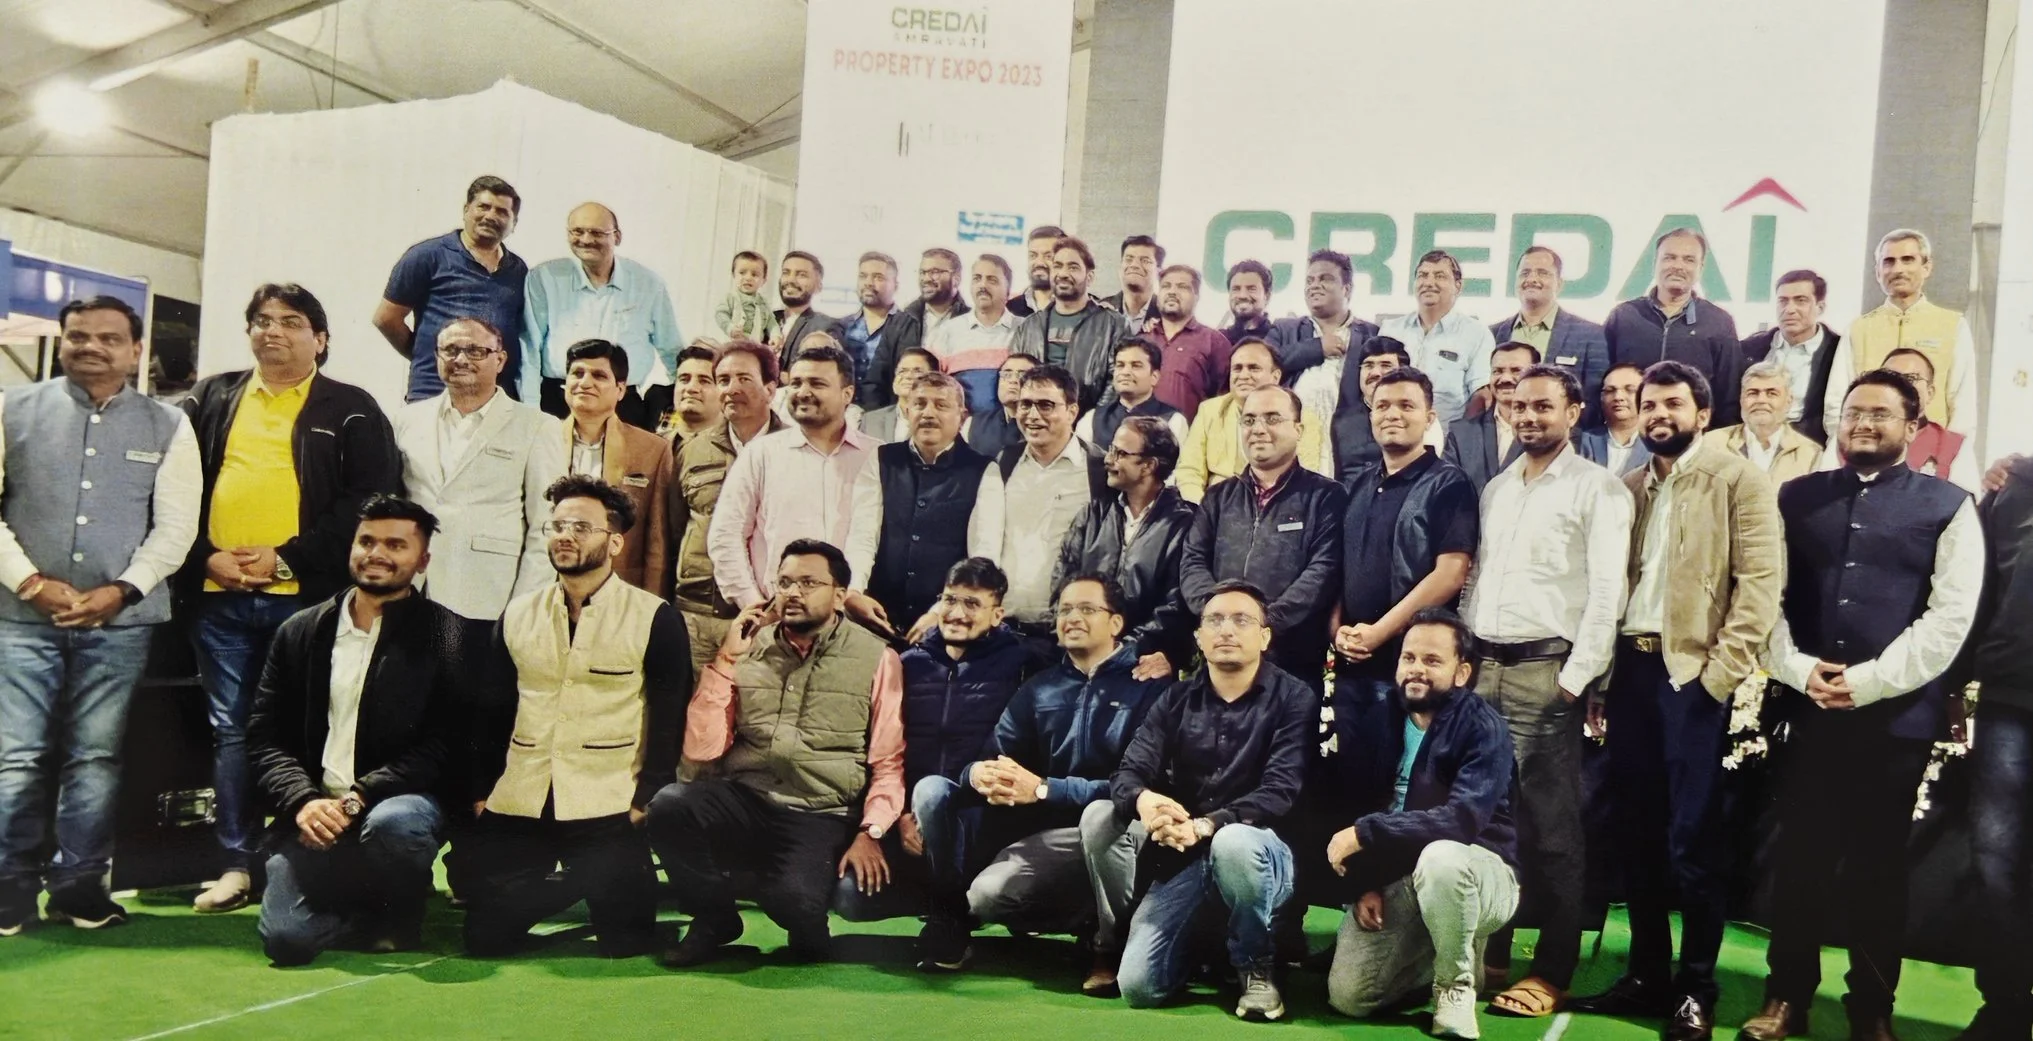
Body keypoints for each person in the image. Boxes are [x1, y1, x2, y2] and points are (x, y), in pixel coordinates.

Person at [1749, 370, 1982, 1041]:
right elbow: (1767, 595)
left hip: (1893, 719)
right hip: (1807, 710)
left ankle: (1870, 1009)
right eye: (1852, 412)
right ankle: (1784, 997)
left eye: (1880, 413)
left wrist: (1869, 680)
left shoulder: (1948, 504)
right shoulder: (1795, 496)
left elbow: (1949, 617)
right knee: (1800, 862)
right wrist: (1796, 669)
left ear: (1913, 427)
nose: (1862, 424)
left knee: (1879, 870)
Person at [1568, 362, 1782, 1038]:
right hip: (1628, 676)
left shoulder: (1737, 477)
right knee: (1634, 833)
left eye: (1670, 402)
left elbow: (1759, 586)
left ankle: (1696, 988)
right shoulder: (1629, 486)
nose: (1656, 412)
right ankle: (1646, 976)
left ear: (1701, 408)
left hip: (1690, 678)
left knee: (1693, 841)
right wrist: (1601, 682)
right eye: (1647, 402)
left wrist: (1717, 677)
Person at [182, 283, 400, 913]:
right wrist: (207, 558)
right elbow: (171, 490)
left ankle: (300, 860)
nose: (272, 331)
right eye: (261, 320)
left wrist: (286, 557)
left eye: (291, 322)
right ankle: (235, 864)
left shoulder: (353, 408)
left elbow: (366, 503)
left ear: (321, 339)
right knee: (230, 731)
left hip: (305, 602)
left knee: (304, 734)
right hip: (217, 596)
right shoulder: (211, 397)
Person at [0, 296, 199, 933]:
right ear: (60, 342)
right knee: (18, 756)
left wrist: (120, 592)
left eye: (109, 338)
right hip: (19, 618)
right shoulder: (10, 409)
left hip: (120, 626)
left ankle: (80, 887)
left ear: (136, 351)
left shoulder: (170, 425)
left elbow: (177, 530)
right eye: (78, 336)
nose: (92, 347)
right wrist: (30, 583)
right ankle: (7, 887)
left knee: (96, 758)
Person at [1459, 363, 1632, 1007]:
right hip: (1484, 670)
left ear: (1574, 411)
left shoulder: (1600, 490)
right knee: (1487, 821)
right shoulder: (1499, 488)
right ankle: (1492, 954)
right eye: (1518, 405)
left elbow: (1608, 593)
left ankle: (1552, 969)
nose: (1528, 416)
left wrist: (1575, 680)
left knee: (1551, 831)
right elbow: (1479, 579)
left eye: (1543, 407)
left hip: (1547, 673)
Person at [462, 476, 688, 959]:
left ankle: (597, 876)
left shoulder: (655, 616)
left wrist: (646, 796)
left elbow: (669, 718)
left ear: (614, 541)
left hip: (607, 796)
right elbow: (491, 711)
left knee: (625, 943)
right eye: (558, 525)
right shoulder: (517, 614)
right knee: (484, 941)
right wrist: (483, 791)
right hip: (523, 793)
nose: (566, 536)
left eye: (582, 527)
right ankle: (582, 880)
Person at [653, 539, 904, 965]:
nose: (793, 592)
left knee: (793, 904)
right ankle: (714, 918)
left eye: (809, 582)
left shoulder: (878, 659)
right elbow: (700, 749)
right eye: (785, 582)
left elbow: (888, 760)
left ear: (840, 594)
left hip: (820, 811)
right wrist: (727, 660)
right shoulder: (748, 647)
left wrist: (871, 832)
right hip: (748, 799)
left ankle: (802, 915)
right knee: (670, 804)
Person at [914, 573, 1166, 977]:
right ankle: (1071, 920)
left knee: (1100, 818)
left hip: (1123, 831)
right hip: (1052, 838)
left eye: (1087, 609)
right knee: (985, 895)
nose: (1073, 618)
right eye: (1065, 610)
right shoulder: (1041, 688)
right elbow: (993, 755)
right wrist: (980, 774)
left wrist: (1047, 790)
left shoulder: (1150, 685)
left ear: (1116, 624)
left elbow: (1143, 786)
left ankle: (1110, 944)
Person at [246, 496, 461, 965]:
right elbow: (264, 738)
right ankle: (365, 903)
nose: (376, 553)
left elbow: (444, 746)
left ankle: (397, 911)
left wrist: (358, 797)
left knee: (396, 824)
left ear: (422, 560)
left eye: (395, 544)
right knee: (287, 941)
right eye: (366, 541)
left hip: (394, 805)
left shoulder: (449, 636)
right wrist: (303, 802)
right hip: (314, 811)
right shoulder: (299, 632)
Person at [1107, 581, 1314, 1020]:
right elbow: (1128, 774)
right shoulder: (1176, 699)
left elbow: (1280, 790)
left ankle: (1256, 967)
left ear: (1264, 636)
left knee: (1234, 842)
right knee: (1139, 987)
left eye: (1242, 620)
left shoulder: (1294, 697)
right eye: (1214, 620)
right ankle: (1208, 949)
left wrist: (1206, 824)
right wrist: (1147, 804)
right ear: (1198, 637)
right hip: (1187, 855)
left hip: (1262, 852)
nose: (1227, 630)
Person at [1324, 609, 1519, 1041]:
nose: (1417, 669)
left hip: (1482, 873)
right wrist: (1366, 884)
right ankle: (1446, 943)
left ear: (1462, 672)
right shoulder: (1381, 718)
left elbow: (1462, 821)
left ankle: (1456, 985)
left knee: (1442, 857)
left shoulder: (1484, 727)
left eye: (1432, 660)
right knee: (1350, 997)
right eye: (1408, 658)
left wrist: (1366, 834)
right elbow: (1359, 802)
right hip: (1405, 876)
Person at [890, 558, 1032, 953]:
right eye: (950, 600)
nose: (956, 613)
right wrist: (899, 814)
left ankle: (947, 917)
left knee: (934, 791)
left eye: (972, 604)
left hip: (986, 814)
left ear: (997, 614)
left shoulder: (1022, 662)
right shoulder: (908, 663)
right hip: (912, 818)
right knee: (850, 896)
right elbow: (887, 749)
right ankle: (950, 909)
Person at [391, 317, 564, 621]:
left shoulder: (538, 426)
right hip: (412, 586)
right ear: (436, 357)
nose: (460, 359)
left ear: (500, 360)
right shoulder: (407, 420)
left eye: (475, 351)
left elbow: (546, 526)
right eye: (450, 350)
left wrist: (522, 609)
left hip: (490, 595)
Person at [1179, 386, 1347, 693]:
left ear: (1298, 429)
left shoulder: (1327, 496)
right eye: (1249, 420)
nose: (1259, 429)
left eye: (1272, 418)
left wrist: (1260, 625)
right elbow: (1192, 562)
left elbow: (1323, 571)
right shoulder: (1218, 497)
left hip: (1292, 667)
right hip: (1219, 662)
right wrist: (1222, 622)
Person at [1334, 369, 1478, 717]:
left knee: (1415, 768)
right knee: (1357, 768)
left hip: (1415, 667)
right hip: (1353, 661)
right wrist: (1338, 632)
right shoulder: (1359, 483)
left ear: (1429, 417)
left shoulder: (1449, 484)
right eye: (1382, 405)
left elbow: (1451, 574)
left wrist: (1380, 632)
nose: (1392, 414)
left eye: (1406, 405)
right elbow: (1342, 566)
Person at [708, 344, 877, 611]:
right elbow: (725, 535)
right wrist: (752, 604)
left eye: (817, 383)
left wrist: (850, 596)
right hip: (775, 616)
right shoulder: (761, 453)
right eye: (796, 383)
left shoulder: (876, 456)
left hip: (851, 616)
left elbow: (869, 537)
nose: (803, 392)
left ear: (847, 393)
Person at [965, 364, 1106, 650]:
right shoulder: (1002, 464)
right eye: (1025, 405)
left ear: (1072, 411)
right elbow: (983, 546)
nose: (1032, 415)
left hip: (1070, 634)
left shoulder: (1099, 471)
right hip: (1003, 629)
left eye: (1045, 405)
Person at [671, 340, 785, 680]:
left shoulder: (794, 451)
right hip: (697, 615)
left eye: (744, 379)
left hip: (768, 616)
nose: (731, 389)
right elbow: (674, 527)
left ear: (770, 388)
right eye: (722, 380)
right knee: (693, 718)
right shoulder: (692, 450)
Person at [1967, 457, 2033, 1041]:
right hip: (2011, 699)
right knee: (1996, 862)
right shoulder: (2013, 490)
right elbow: (1976, 587)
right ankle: (2006, 1005)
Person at [846, 371, 991, 632]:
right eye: (919, 404)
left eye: (941, 405)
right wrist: (855, 591)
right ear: (907, 412)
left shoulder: (983, 469)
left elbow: (982, 554)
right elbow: (863, 534)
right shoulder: (882, 458)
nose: (928, 413)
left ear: (962, 416)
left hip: (948, 621)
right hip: (876, 612)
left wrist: (941, 612)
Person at [1055, 417, 1197, 678]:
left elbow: (1177, 603)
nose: (1108, 460)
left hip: (1144, 664)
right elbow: (1064, 580)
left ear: (1149, 465)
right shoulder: (1092, 515)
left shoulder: (1185, 523)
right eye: (1111, 450)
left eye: (1120, 453)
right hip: (1081, 658)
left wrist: (1123, 650)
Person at [519, 202, 680, 428]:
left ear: (617, 237)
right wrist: (530, 409)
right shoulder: (545, 277)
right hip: (557, 401)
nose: (586, 239)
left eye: (596, 232)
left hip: (623, 405)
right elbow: (529, 349)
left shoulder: (648, 284)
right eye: (577, 231)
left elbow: (672, 348)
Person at [375, 175, 528, 402]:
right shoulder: (427, 256)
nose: (490, 216)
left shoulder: (518, 269)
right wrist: (433, 356)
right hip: (434, 393)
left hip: (495, 400)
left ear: (513, 223)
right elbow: (386, 319)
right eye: (483, 207)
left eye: (502, 212)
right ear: (466, 210)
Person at [1830, 229, 1978, 437]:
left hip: (1932, 454)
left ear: (1926, 267)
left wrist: (1948, 456)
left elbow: (1963, 402)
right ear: (1878, 271)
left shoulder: (1953, 326)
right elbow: (1837, 401)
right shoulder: (1859, 329)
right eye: (1889, 261)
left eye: (1907, 260)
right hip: (1870, 447)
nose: (1898, 269)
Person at [556, 339, 672, 596]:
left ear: (620, 390)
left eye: (598, 375)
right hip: (547, 586)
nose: (585, 382)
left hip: (619, 590)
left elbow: (657, 541)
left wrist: (650, 607)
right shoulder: (540, 439)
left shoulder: (652, 450)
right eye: (577, 373)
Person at [1602, 228, 1742, 428]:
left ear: (1701, 268)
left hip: (1691, 439)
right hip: (1631, 438)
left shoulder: (1719, 322)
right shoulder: (1624, 316)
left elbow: (1729, 397)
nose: (1678, 266)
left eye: (1688, 260)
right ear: (1655, 264)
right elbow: (1602, 381)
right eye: (1669, 258)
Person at [1176, 339, 1328, 502]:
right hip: (1214, 509)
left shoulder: (1302, 417)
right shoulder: (1210, 410)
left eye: (1254, 368)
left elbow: (1306, 476)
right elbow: (1189, 472)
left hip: (1276, 507)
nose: (1243, 376)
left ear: (1275, 376)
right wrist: (1203, 511)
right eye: (1237, 368)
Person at [1491, 246, 1610, 428]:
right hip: (1501, 445)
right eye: (1525, 273)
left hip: (1563, 445)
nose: (1532, 279)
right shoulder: (1492, 334)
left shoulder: (1590, 335)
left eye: (1543, 273)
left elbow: (1594, 403)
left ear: (1559, 283)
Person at [1011, 236, 1134, 410]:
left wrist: (1093, 421)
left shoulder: (1114, 325)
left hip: (1089, 427)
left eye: (1073, 267)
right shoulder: (1028, 327)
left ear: (1089, 277)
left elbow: (1118, 381)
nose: (1063, 274)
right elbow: (1015, 377)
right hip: (1035, 421)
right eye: (1057, 266)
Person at [1377, 250, 1494, 425]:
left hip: (1447, 443)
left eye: (1440, 276)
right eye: (1422, 275)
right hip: (1392, 437)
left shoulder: (1477, 334)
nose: (1429, 283)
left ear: (1458, 285)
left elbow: (1481, 396)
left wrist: (1460, 440)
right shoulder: (1390, 330)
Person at [1738, 269, 1839, 445]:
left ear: (1820, 307)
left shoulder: (1837, 351)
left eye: (1801, 301)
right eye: (1783, 301)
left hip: (1812, 448)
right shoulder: (1750, 349)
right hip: (1752, 443)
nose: (1790, 309)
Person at [1864, 348, 1979, 493]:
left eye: (1911, 378)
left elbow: (1965, 509)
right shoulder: (1854, 437)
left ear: (1930, 393)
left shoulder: (1955, 447)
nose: (1899, 385)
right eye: (1889, 378)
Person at [1701, 361, 1822, 483]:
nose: (1761, 400)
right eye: (1753, 393)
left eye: (1772, 393)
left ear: (1788, 401)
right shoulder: (1712, 444)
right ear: (1741, 400)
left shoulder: (1810, 453)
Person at [927, 253, 1019, 414]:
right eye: (977, 278)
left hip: (1014, 430)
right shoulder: (947, 331)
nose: (983, 285)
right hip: (961, 430)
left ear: (1008, 290)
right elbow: (933, 386)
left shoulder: (1024, 329)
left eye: (992, 280)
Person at [1138, 264, 1232, 421]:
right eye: (1166, 286)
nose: (1172, 292)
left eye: (1182, 287)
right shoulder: (1142, 339)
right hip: (1139, 437)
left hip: (1190, 439)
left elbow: (1224, 401)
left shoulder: (1214, 342)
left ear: (1197, 296)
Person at [1274, 249, 1381, 384]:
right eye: (1309, 281)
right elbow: (1261, 363)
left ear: (1346, 289)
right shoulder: (1284, 329)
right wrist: (1317, 348)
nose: (1314, 285)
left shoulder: (1372, 335)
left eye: (1325, 279)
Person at [1444, 342, 1536, 492]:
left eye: (1516, 371)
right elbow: (1447, 492)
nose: (1505, 378)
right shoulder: (1461, 433)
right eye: (1497, 371)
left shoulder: (1551, 433)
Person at [1076, 337, 1189, 450]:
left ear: (1154, 377)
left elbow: (1181, 467)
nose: (1125, 372)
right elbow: (1079, 465)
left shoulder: (1173, 421)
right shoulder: (1093, 418)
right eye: (1120, 365)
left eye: (1136, 366)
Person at [1328, 337, 1413, 481]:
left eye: (1386, 365)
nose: (1375, 373)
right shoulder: (1339, 421)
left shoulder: (1415, 418)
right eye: (1368, 365)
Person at [851, 252, 923, 411]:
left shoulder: (908, 325)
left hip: (886, 418)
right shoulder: (842, 326)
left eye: (878, 277)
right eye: (863, 276)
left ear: (895, 285)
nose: (869, 283)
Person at [768, 250, 844, 369]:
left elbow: (824, 374)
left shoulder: (826, 327)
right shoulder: (765, 319)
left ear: (818, 286)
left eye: (801, 275)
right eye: (786, 273)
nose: (791, 280)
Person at [1578, 363, 1653, 477]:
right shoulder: (1582, 442)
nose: (1618, 397)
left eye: (1630, 390)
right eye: (1609, 390)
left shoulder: (1657, 445)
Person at [961, 352, 1036, 459]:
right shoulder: (973, 424)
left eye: (1022, 375)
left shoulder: (1048, 424)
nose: (1013, 380)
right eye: (1006, 374)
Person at [859, 347, 935, 443]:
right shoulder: (870, 420)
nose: (908, 376)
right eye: (902, 371)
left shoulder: (938, 420)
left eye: (917, 371)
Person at [898, 247, 965, 347]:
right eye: (922, 273)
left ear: (956, 279)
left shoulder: (971, 321)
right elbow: (883, 362)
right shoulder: (900, 321)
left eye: (935, 272)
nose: (926, 279)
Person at [663, 343, 724, 446]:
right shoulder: (652, 448)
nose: (691, 388)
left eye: (704, 381)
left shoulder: (742, 450)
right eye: (684, 379)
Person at [715, 250, 780, 343]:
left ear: (764, 280)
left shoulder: (763, 302)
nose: (748, 278)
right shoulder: (731, 297)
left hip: (756, 346)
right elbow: (720, 314)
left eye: (754, 274)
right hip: (733, 344)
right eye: (742, 272)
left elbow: (771, 322)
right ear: (734, 275)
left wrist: (775, 335)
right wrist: (730, 328)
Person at [1101, 235, 1163, 328]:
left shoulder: (1166, 314)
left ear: (1159, 272)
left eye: (1145, 261)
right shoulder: (1100, 310)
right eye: (1129, 259)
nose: (1134, 265)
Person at [1007, 224, 1067, 318]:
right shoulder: (1010, 309)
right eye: (1033, 256)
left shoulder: (1081, 308)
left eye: (1048, 256)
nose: (1039, 263)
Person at [1221, 259, 1278, 348]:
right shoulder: (1219, 340)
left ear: (1267, 296)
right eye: (1236, 289)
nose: (1242, 295)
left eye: (1251, 289)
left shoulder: (1279, 340)